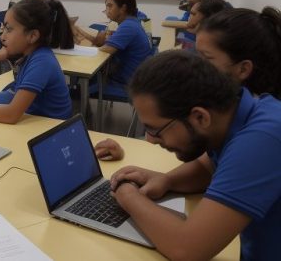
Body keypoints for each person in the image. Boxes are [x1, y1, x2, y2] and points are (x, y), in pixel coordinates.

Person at [107, 51, 281, 260]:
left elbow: (186, 249)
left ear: (200, 117)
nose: (150, 140)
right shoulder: (239, 113)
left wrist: (127, 194)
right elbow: (209, 166)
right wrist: (167, 180)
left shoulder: (262, 139)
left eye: (155, 130)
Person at [95, 6, 281, 162]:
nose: (194, 63)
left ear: (243, 69)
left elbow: (187, 151)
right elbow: (201, 165)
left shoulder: (257, 131)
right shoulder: (234, 105)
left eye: (205, 58)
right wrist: (129, 156)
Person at [74, 0, 152, 86]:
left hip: (126, 81)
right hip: (134, 76)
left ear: (123, 8)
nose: (107, 11)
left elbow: (105, 50)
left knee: (82, 71)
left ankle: (79, 95)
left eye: (110, 6)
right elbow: (106, 43)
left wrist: (78, 49)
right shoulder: (132, 22)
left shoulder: (128, 26)